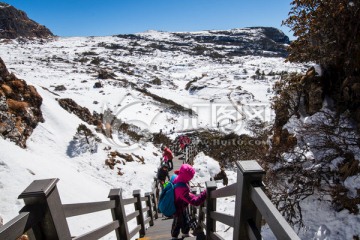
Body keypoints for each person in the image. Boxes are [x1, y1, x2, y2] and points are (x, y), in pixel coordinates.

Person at [171, 164, 207, 240]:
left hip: (180, 204)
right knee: (178, 221)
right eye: (191, 176)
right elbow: (195, 202)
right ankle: (174, 236)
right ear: (187, 176)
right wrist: (205, 193)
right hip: (178, 207)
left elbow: (187, 195)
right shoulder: (181, 187)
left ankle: (184, 233)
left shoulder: (179, 178)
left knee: (184, 219)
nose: (192, 177)